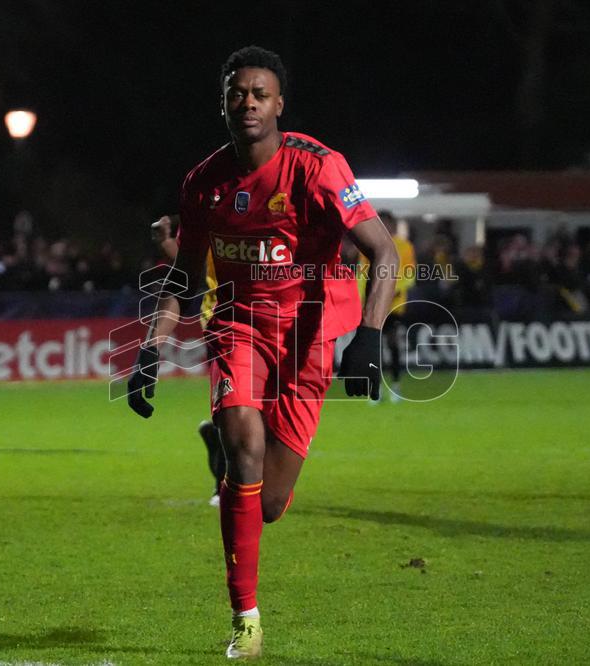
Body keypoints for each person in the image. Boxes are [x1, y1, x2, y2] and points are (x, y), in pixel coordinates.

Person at [126, 46, 397, 659]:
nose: (247, 102)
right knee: (244, 445)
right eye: (236, 93)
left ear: (279, 104)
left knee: (269, 502)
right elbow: (186, 280)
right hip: (240, 325)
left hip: (311, 332)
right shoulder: (203, 183)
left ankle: (224, 453)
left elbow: (386, 253)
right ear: (223, 104)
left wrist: (373, 337)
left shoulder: (319, 166)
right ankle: (245, 619)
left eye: (259, 93)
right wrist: (151, 350)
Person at [150, 214, 225, 505]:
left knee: (259, 421)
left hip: (270, 327)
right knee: (239, 415)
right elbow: (190, 262)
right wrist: (167, 241)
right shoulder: (223, 224)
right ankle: (222, 486)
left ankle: (217, 442)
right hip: (223, 329)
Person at [357, 210, 416, 401]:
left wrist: (391, 289)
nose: (385, 227)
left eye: (387, 224)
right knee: (375, 347)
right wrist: (361, 300)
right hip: (375, 304)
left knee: (394, 344)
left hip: (395, 304)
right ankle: (376, 388)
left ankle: (396, 386)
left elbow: (410, 274)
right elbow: (362, 273)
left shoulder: (404, 246)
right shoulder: (369, 244)